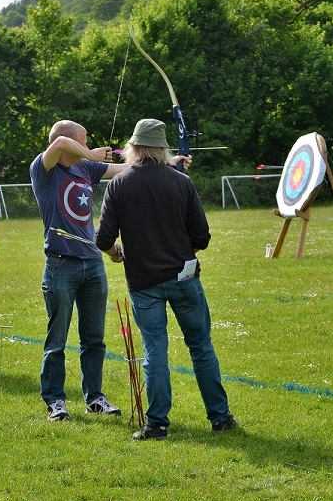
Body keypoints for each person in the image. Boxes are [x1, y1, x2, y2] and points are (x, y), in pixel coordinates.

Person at [95, 118, 236, 440]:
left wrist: (116, 251)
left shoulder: (119, 184)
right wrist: (179, 247)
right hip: (184, 277)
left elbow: (103, 238)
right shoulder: (180, 182)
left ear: (131, 148)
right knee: (201, 347)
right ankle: (221, 418)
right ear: (162, 149)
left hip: (144, 282)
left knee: (155, 350)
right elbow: (201, 236)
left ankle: (156, 424)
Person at [29, 119, 136, 421]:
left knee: (94, 338)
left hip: (92, 262)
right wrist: (91, 154)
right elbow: (61, 145)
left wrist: (165, 162)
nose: (89, 146)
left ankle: (95, 397)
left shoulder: (85, 168)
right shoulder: (44, 168)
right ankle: (55, 401)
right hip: (61, 263)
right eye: (85, 141)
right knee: (57, 339)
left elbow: (127, 171)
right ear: (71, 141)